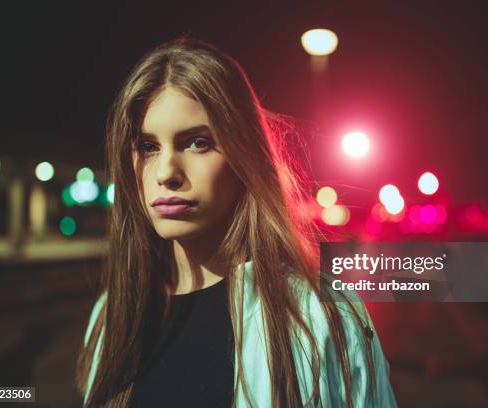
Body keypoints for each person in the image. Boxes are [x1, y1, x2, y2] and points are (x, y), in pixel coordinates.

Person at [76, 37, 397, 408]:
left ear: (244, 154)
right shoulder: (112, 315)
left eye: (196, 142)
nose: (166, 172)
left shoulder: (321, 318)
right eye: (148, 147)